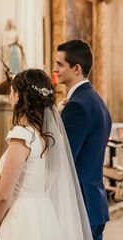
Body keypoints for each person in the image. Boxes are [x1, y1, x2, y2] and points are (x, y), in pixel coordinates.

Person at [0, 69, 93, 240]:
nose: (10, 96)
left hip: (21, 219)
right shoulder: (48, 137)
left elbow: (2, 196)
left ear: (20, 96)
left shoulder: (21, 136)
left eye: (12, 91)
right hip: (44, 213)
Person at [55, 39, 112, 240]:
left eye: (60, 64)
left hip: (81, 205)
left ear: (76, 68)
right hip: (94, 199)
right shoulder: (96, 100)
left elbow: (63, 159)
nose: (56, 70)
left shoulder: (77, 106)